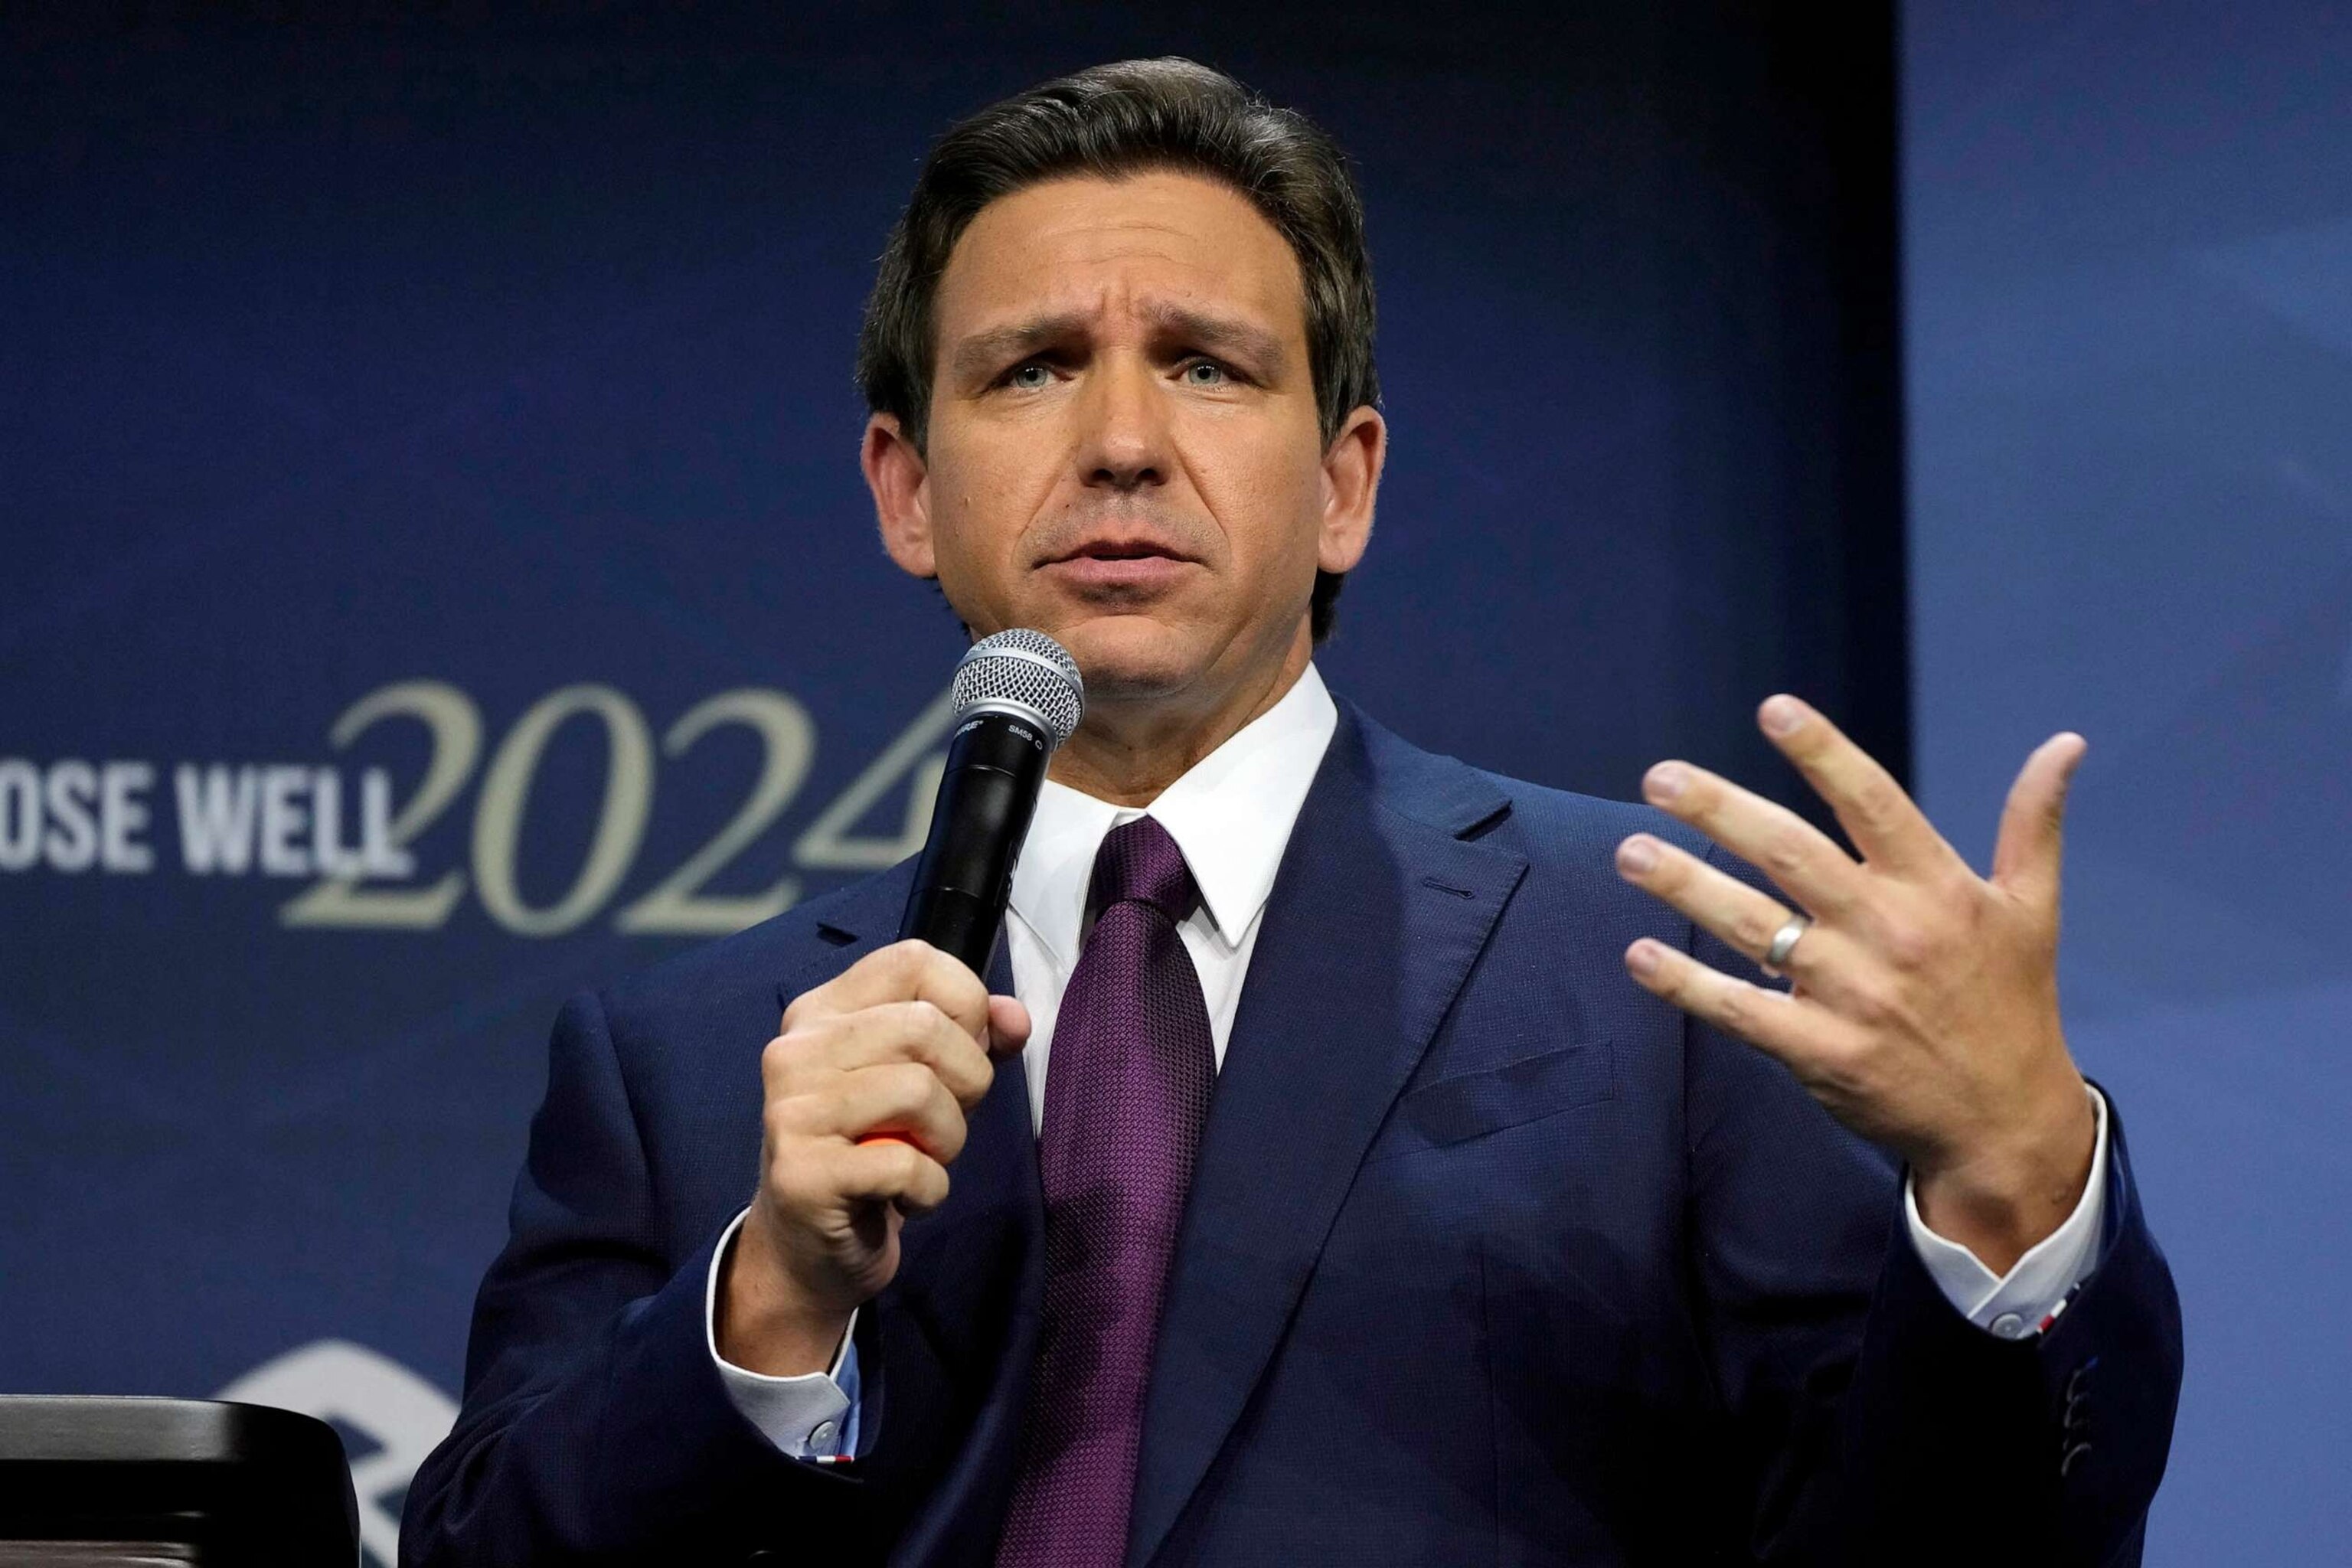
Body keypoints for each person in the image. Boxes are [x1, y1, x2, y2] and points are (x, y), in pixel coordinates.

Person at [402, 58, 2180, 1566]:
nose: (1117, 441)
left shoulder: (1653, 972)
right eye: (1028, 369)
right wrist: (772, 1307)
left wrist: (2018, 1181)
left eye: (1206, 364)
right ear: (903, 487)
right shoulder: (685, 1061)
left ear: (1345, 484)